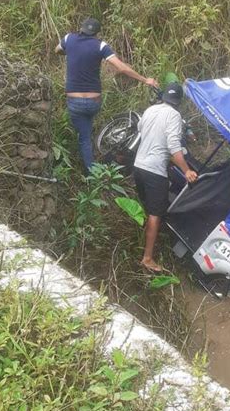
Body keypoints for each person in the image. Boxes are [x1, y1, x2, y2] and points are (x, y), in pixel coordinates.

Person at [55, 18, 157, 175]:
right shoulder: (100, 46)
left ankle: (92, 174)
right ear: (96, 33)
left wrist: (68, 51)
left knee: (84, 138)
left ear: (80, 28)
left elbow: (58, 50)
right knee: (89, 128)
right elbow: (122, 68)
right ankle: (106, 157)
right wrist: (145, 80)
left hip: (75, 102)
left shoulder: (69, 38)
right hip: (93, 102)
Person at [133, 82, 198, 272]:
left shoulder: (151, 109)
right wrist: (186, 170)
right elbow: (174, 147)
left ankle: (145, 236)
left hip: (139, 166)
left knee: (148, 207)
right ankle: (147, 258)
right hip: (155, 171)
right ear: (178, 101)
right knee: (156, 213)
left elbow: (140, 129)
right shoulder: (175, 116)